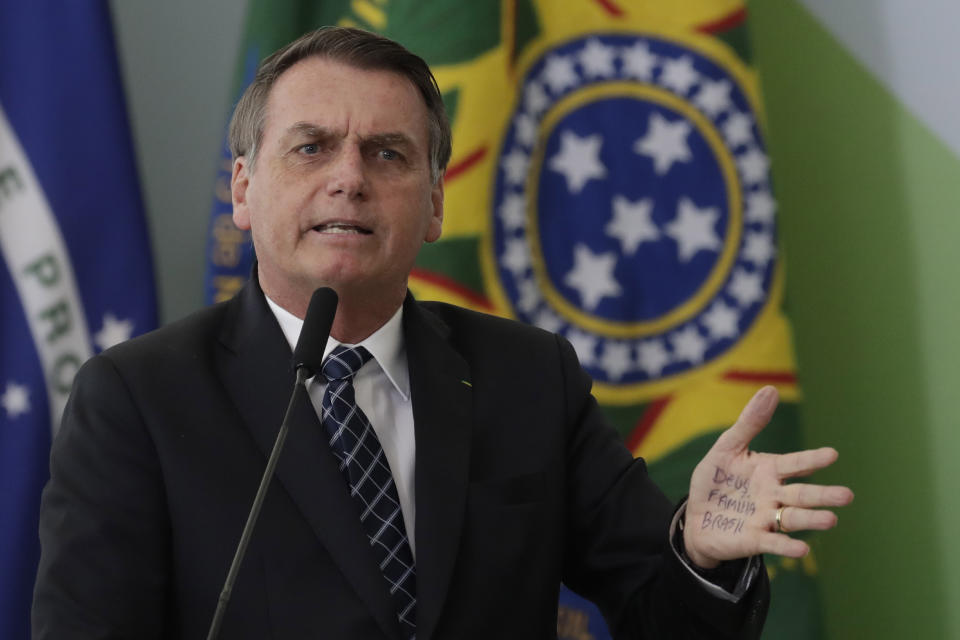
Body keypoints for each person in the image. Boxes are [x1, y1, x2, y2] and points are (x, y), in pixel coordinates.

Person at [32, 27, 853, 640]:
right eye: (311, 147)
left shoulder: (529, 379)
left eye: (387, 155)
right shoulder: (138, 400)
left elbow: (660, 615)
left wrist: (700, 558)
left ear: (432, 205)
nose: (349, 177)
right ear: (244, 189)